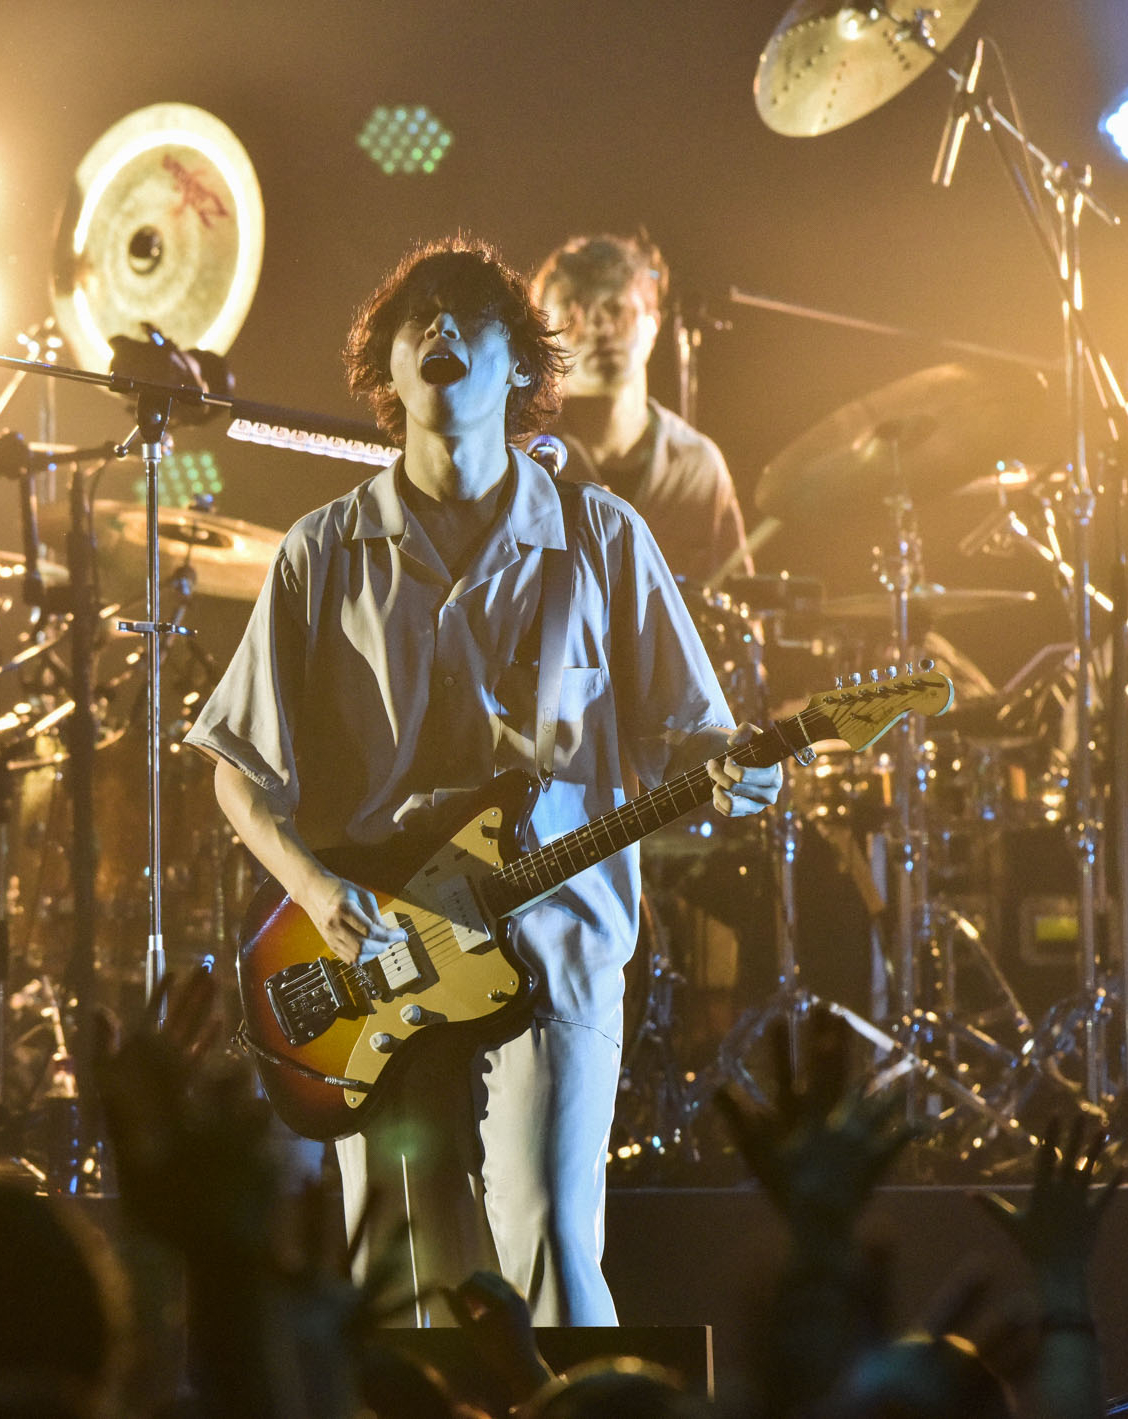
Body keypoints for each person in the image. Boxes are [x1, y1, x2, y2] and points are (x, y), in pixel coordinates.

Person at [183, 234, 780, 1325]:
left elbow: (697, 735)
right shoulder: (321, 552)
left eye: (469, 313)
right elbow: (237, 773)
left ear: (521, 367)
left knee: (546, 1241)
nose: (440, 328)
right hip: (379, 966)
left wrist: (733, 772)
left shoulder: (602, 540)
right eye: (418, 316)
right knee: (404, 1283)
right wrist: (317, 893)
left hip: (554, 946)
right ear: (387, 369)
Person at [532, 233, 751, 585]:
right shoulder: (520, 457)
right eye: (574, 310)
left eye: (616, 308)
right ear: (545, 337)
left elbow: (738, 603)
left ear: (654, 323)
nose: (599, 326)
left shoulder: (698, 466)